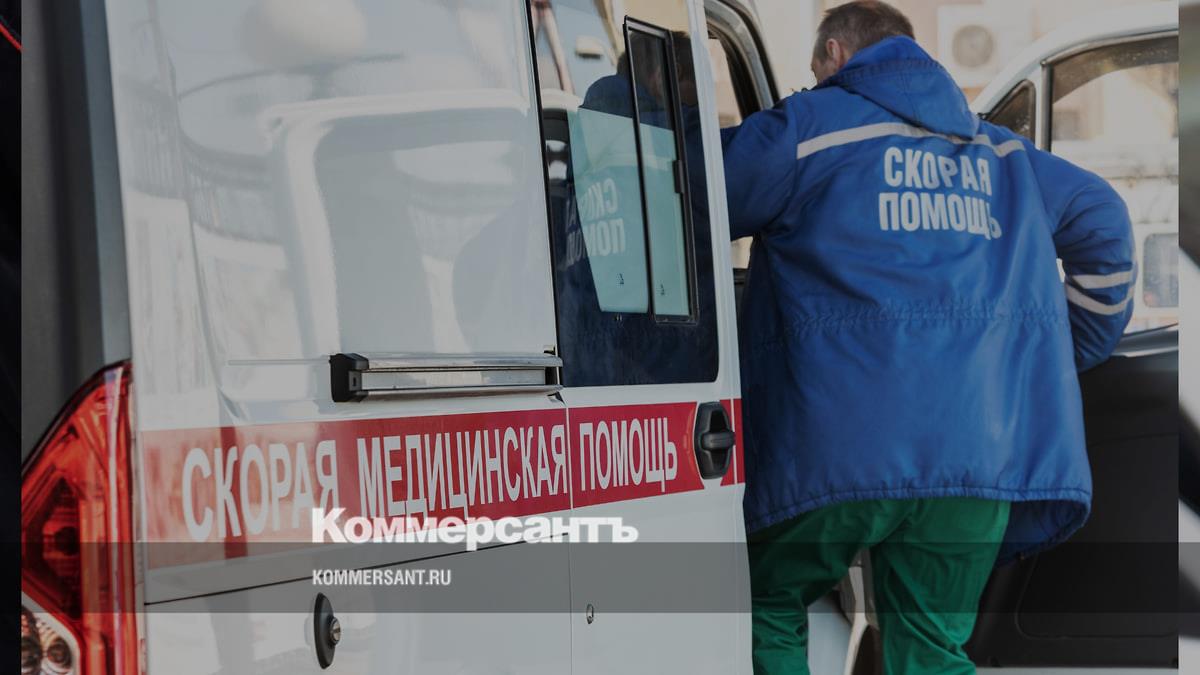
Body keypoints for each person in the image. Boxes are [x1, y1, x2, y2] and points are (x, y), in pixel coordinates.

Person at [720, 2, 1134, 673]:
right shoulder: (1005, 154)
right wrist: (1062, 345)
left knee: (765, 601)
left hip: (830, 445)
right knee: (933, 646)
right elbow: (1104, 219)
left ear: (834, 54)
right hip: (977, 452)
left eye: (816, 71)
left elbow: (686, 192)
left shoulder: (808, 129)